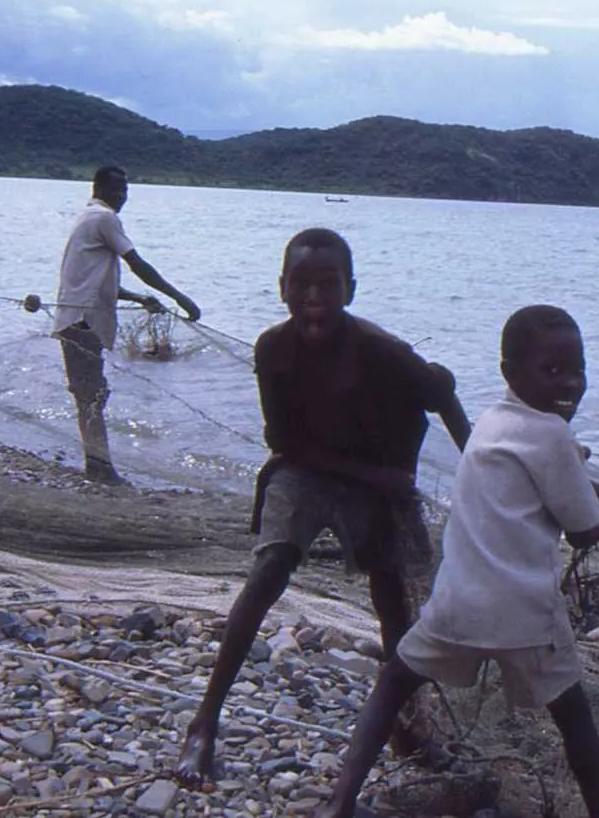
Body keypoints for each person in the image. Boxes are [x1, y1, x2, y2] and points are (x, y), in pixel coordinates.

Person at [310, 305, 599, 818]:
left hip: (457, 605)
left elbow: (563, 483)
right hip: (525, 614)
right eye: (552, 371)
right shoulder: (551, 435)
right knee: (574, 718)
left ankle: (340, 800)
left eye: (578, 370)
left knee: (394, 682)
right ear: (511, 372)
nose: (569, 383)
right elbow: (584, 526)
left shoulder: (493, 423)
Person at [175, 228, 471, 785]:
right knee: (270, 566)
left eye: (328, 285)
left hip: (377, 482)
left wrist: (485, 482)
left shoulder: (383, 352)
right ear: (282, 289)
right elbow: (284, 444)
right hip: (311, 468)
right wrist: (369, 473)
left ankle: (407, 725)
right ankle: (204, 724)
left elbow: (445, 400)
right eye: (301, 284)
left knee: (393, 600)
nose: (314, 297)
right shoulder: (272, 349)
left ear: (350, 291)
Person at [51, 165, 201, 484]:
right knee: (91, 396)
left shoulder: (88, 217)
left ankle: (97, 464)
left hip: (74, 320)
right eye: (117, 190)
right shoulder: (104, 218)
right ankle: (99, 469)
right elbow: (137, 263)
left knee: (91, 394)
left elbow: (95, 282)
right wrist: (179, 296)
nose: (122, 197)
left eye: (126, 191)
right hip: (82, 323)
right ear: (99, 189)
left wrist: (139, 299)